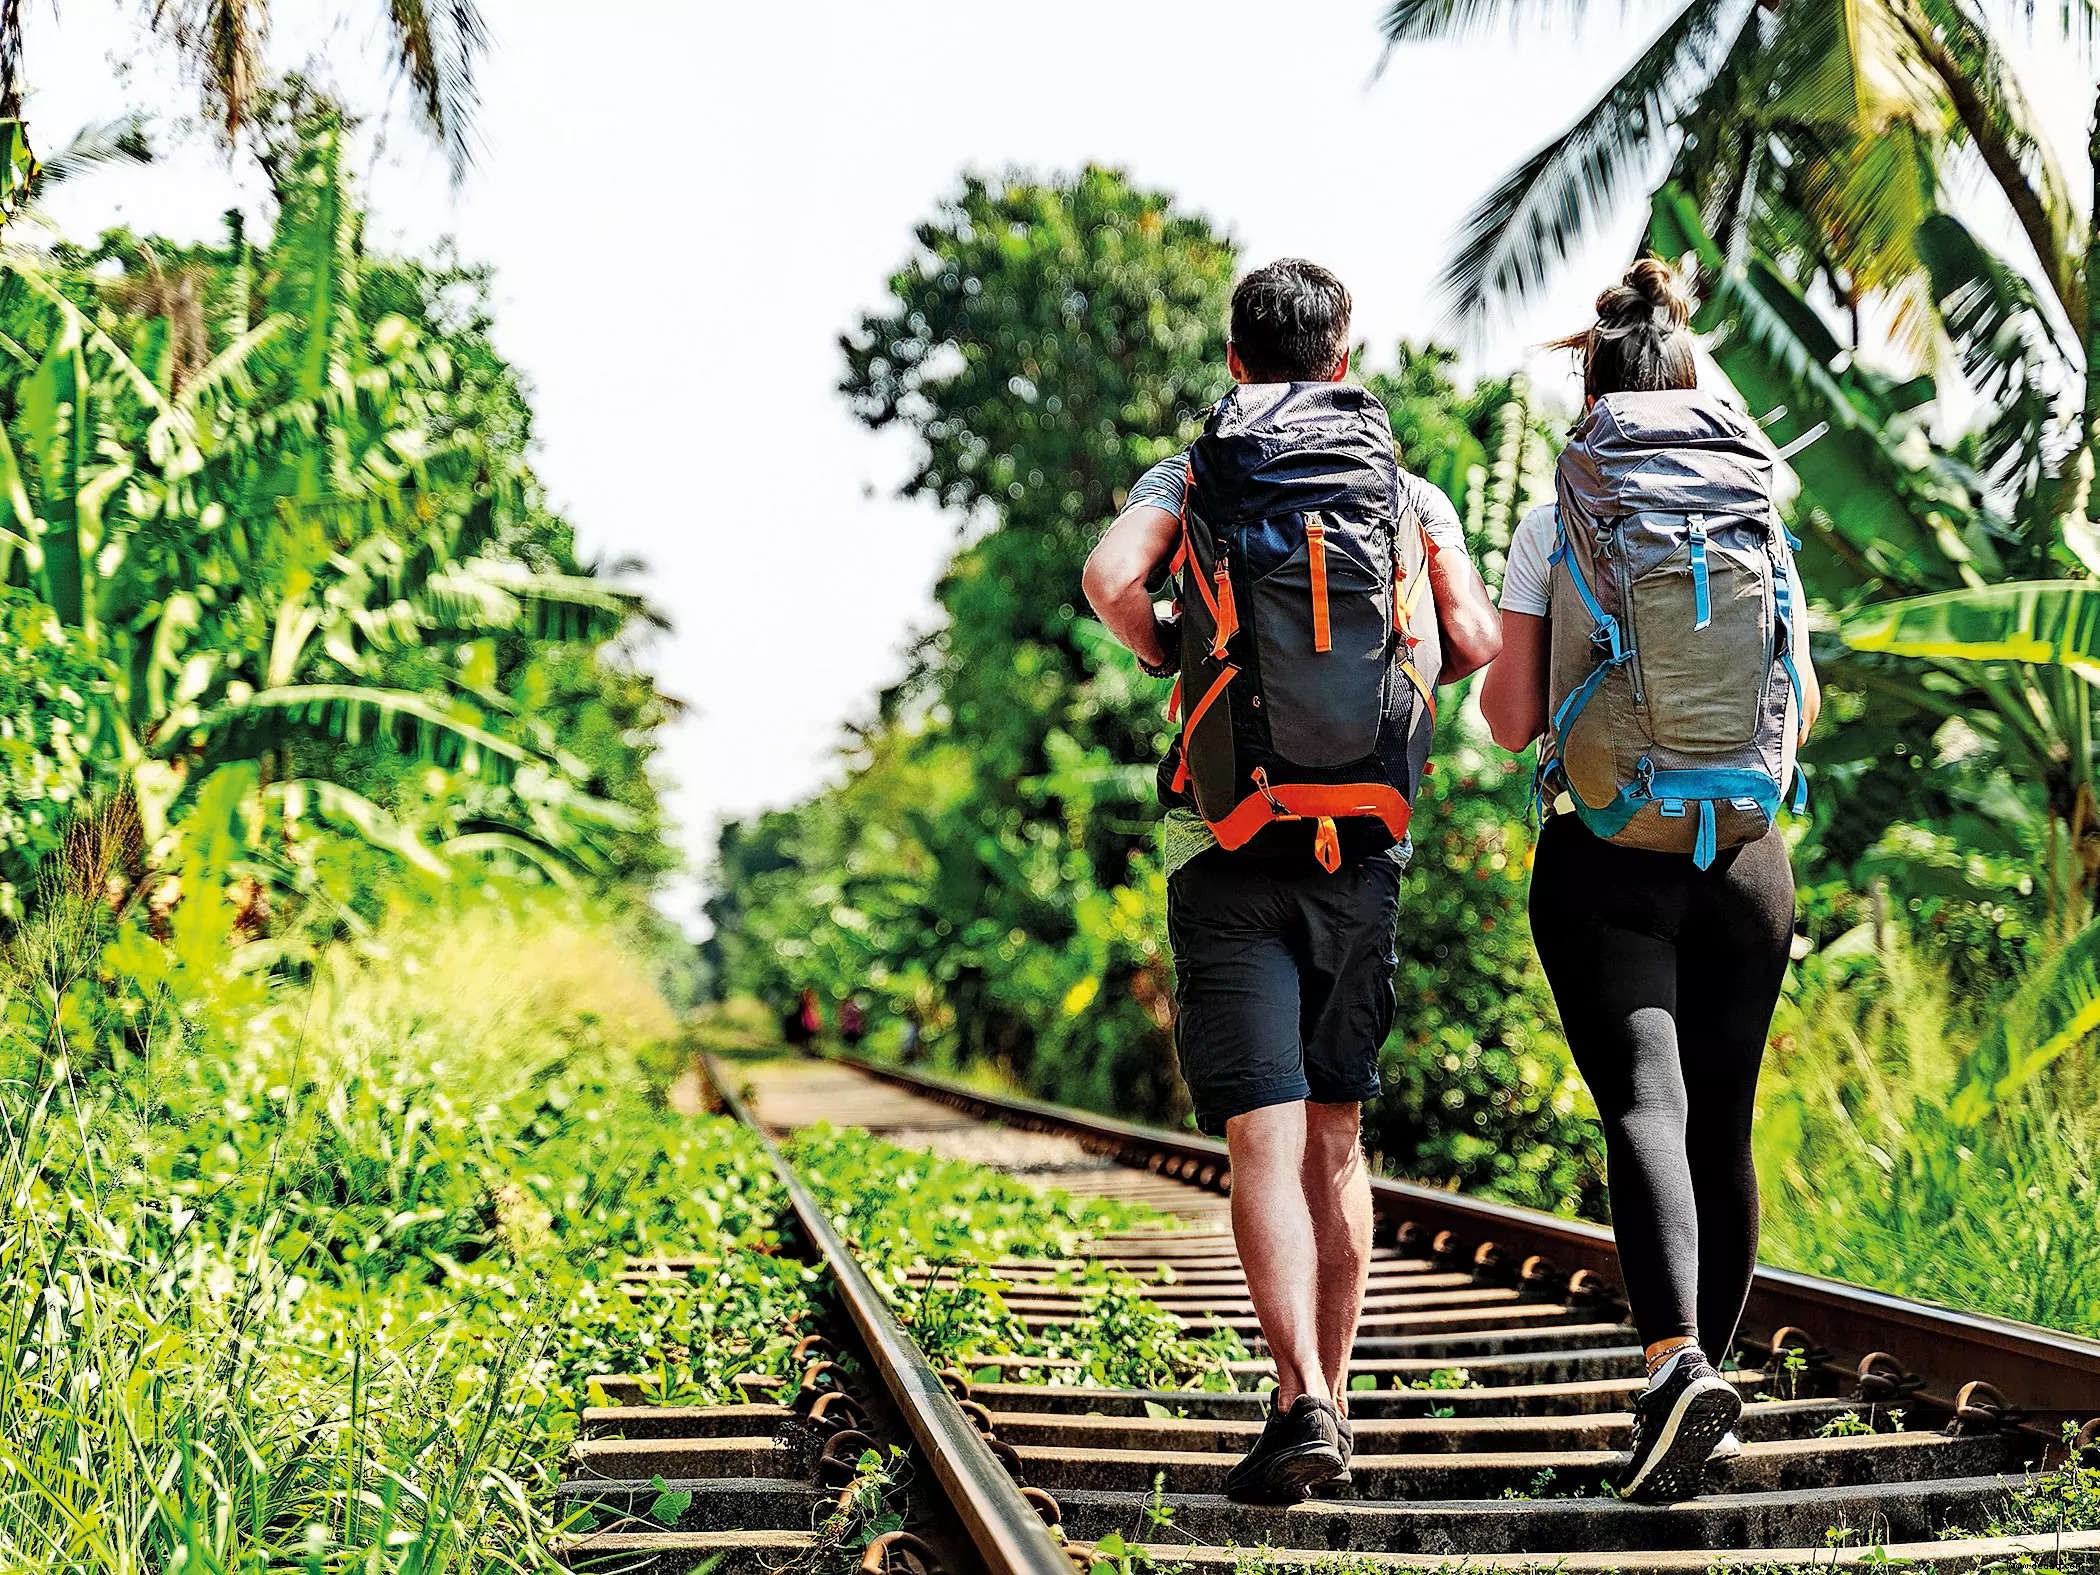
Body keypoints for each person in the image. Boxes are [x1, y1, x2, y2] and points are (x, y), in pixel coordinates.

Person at [1083, 259, 1501, 1503]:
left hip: (1218, 835)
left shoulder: (1194, 472)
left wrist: (1177, 659)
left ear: (1233, 359)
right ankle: (1334, 1399)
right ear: (1342, 357)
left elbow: (1111, 580)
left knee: (1256, 1129)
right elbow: (1474, 641)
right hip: (1362, 837)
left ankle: (1299, 1398)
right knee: (1336, 1129)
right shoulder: (1404, 486)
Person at [1478, 259, 1821, 1503]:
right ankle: (1706, 1387)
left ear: (1593, 387)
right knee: (1723, 1119)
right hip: (1744, 858)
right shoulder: (1754, 506)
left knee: (1646, 1103)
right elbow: (1805, 703)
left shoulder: (1557, 516)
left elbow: (1512, 720)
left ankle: (1676, 1367)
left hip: (1606, 855)